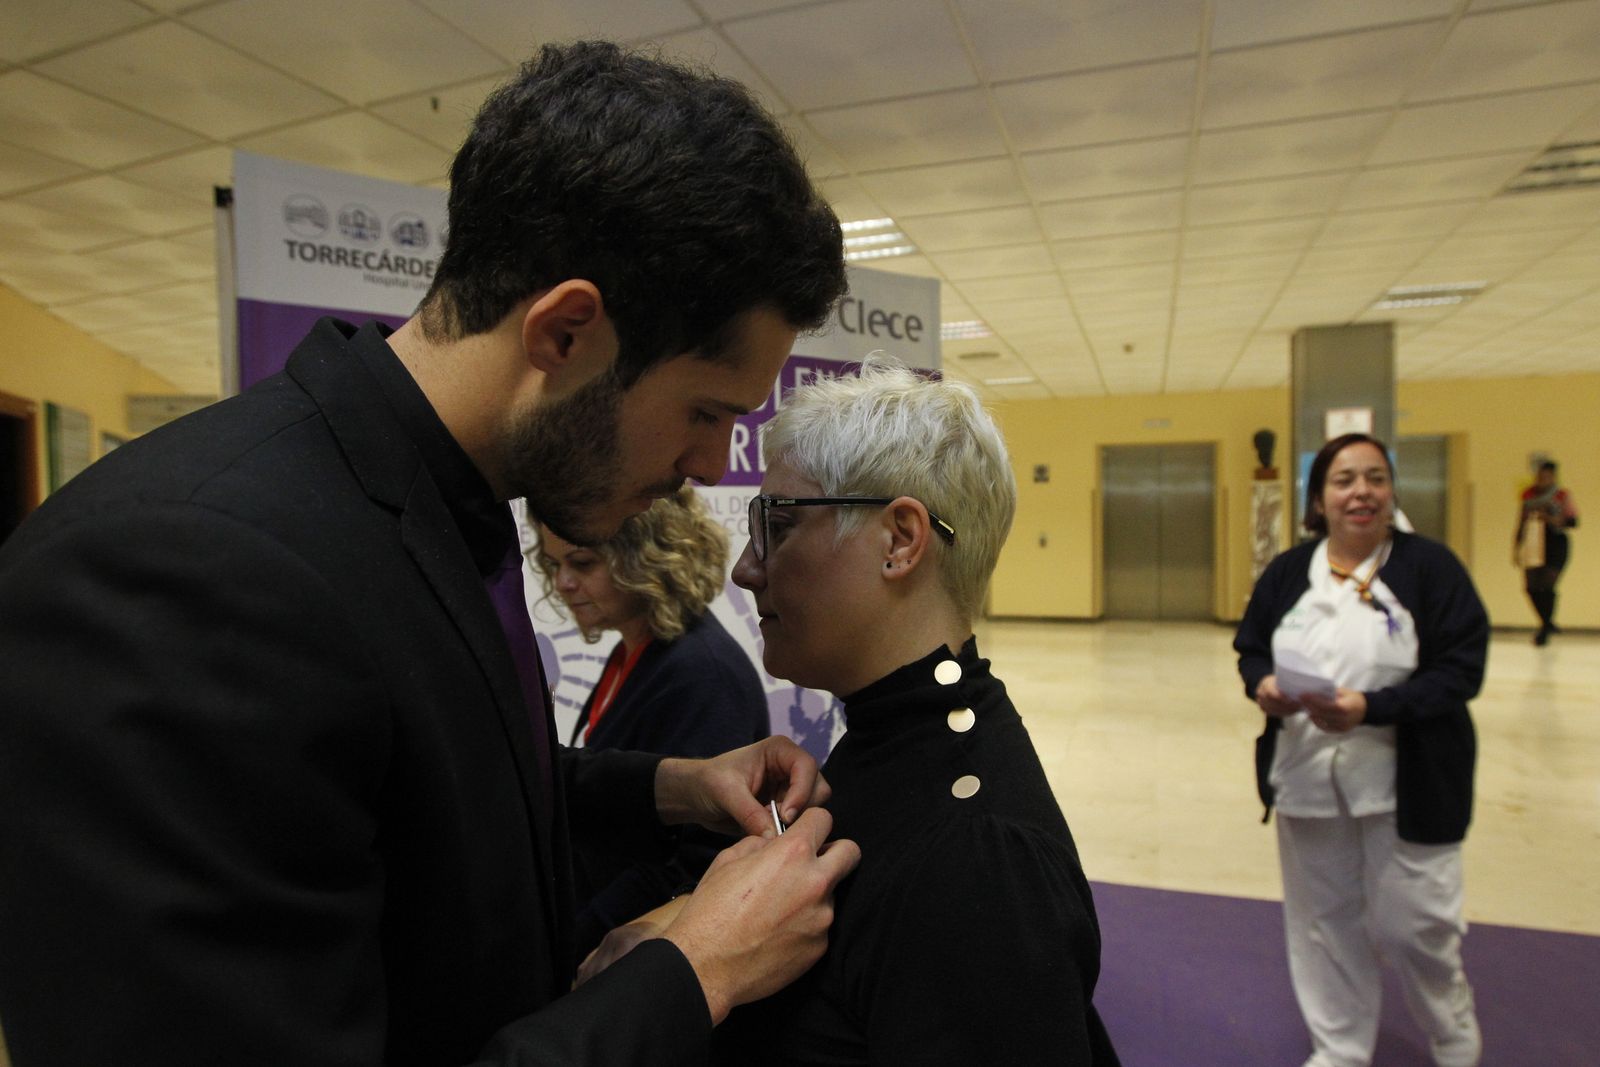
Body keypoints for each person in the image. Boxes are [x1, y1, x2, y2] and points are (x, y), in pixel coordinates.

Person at [0, 41, 861, 1066]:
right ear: (565, 333)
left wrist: (665, 786)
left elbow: (415, 787)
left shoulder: (443, 499)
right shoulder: (182, 572)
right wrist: (696, 970)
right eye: (704, 411)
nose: (707, 463)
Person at [591, 358, 1120, 1064]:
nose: (747, 567)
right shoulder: (895, 741)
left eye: (775, 523)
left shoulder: (982, 857)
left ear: (900, 540)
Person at [1234, 433, 1488, 1067]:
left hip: (1411, 783)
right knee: (1324, 923)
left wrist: (1372, 708)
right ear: (1319, 497)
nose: (1362, 492)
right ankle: (1340, 1047)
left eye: (1375, 478)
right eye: (1344, 480)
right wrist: (1263, 685)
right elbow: (1252, 646)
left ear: (1391, 491)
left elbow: (1462, 669)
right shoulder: (1293, 571)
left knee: (1417, 926)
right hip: (1309, 779)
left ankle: (1452, 1031)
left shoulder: (1430, 569)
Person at [532, 487, 769, 960]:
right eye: (553, 563)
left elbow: (694, 865)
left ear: (645, 558)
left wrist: (572, 947)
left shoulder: (701, 672)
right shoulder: (635, 653)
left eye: (582, 563)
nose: (562, 583)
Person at [1515, 459, 1579, 645]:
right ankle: (1547, 622)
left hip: (1555, 542)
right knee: (1531, 586)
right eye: (1540, 476)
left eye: (1547, 476)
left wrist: (1550, 518)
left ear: (1553, 477)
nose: (1542, 479)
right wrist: (1516, 546)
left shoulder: (1562, 496)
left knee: (1548, 584)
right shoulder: (1527, 495)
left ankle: (1544, 628)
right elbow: (1521, 520)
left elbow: (1573, 521)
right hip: (1533, 541)